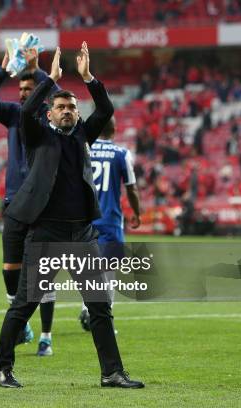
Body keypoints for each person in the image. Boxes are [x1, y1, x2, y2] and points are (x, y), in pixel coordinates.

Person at [0, 43, 144, 389]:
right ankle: (3, 368)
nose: (67, 111)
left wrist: (88, 77)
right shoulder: (36, 136)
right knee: (24, 305)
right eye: (61, 107)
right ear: (50, 113)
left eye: (72, 107)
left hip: (82, 236)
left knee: (100, 308)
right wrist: (52, 80)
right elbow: (27, 110)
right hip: (45, 235)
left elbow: (105, 107)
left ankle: (112, 373)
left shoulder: (82, 137)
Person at [0, 47, 59, 356]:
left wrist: (39, 70)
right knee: (11, 267)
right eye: (22, 89)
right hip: (14, 202)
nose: (25, 93)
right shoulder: (13, 115)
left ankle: (47, 335)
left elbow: (57, 91)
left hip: (44, 204)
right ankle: (23, 325)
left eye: (30, 88)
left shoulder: (48, 116)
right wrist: (2, 70)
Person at [79, 117, 141, 331]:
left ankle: (87, 308)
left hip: (85, 217)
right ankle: (103, 316)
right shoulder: (121, 153)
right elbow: (131, 188)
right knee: (109, 271)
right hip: (110, 219)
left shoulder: (84, 149)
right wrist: (137, 212)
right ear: (114, 129)